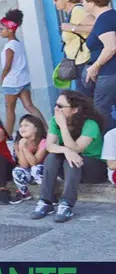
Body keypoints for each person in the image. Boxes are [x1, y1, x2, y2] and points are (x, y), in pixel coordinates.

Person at [32, 91, 108, 222]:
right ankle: (45, 200)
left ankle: (66, 204)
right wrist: (66, 151)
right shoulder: (56, 122)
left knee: (69, 158)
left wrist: (63, 127)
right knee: (52, 157)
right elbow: (49, 146)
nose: (56, 109)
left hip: (93, 169)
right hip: (71, 168)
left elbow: (76, 148)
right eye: (56, 105)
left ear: (74, 109)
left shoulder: (90, 124)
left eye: (60, 106)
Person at [0, 9, 45, 136]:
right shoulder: (18, 43)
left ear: (10, 30)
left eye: (2, 29)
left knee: (9, 109)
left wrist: (2, 78)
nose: (0, 31)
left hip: (12, 81)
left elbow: (7, 65)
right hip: (23, 79)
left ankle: (7, 135)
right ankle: (45, 128)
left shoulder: (9, 46)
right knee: (29, 105)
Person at [79, 0, 116, 132]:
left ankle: (111, 146)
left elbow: (111, 46)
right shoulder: (110, 16)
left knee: (101, 109)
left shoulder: (104, 19)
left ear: (92, 2)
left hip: (108, 72)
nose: (81, 3)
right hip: (110, 73)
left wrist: (95, 67)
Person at [51, 0, 95, 95]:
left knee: (87, 101)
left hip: (84, 61)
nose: (53, 2)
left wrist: (72, 28)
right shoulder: (72, 13)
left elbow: (96, 26)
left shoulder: (78, 11)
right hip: (78, 62)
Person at [10, 114, 48, 204]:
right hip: (30, 174)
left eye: (26, 125)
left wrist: (25, 148)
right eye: (21, 126)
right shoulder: (20, 142)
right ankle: (24, 193)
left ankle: (47, 194)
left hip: (44, 174)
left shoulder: (44, 142)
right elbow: (24, 165)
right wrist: (21, 147)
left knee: (36, 169)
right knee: (17, 171)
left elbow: (34, 162)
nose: (22, 128)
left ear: (36, 129)